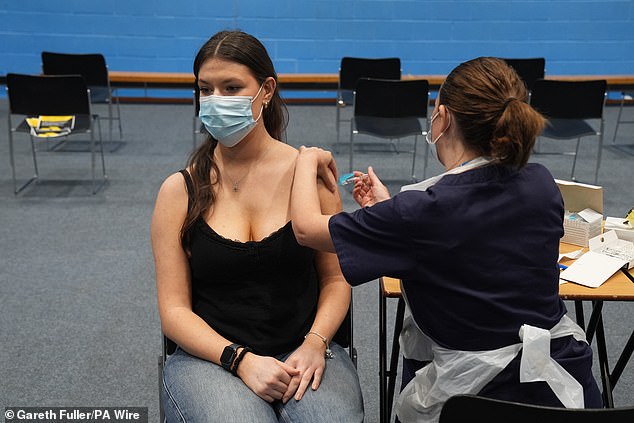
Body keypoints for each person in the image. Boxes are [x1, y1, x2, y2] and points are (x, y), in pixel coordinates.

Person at [291, 57, 602, 422]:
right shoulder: (540, 182)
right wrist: (390, 212)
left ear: (443, 118)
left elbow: (306, 229)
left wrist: (304, 161)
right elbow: (473, 243)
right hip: (565, 388)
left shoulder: (422, 210)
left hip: (476, 402)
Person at [151, 30, 363, 422]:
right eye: (206, 89)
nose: (216, 101)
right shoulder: (178, 191)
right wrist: (240, 360)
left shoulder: (311, 178)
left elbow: (336, 280)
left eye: (232, 88)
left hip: (302, 348)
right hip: (211, 356)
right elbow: (174, 310)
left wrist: (316, 343)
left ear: (266, 90)